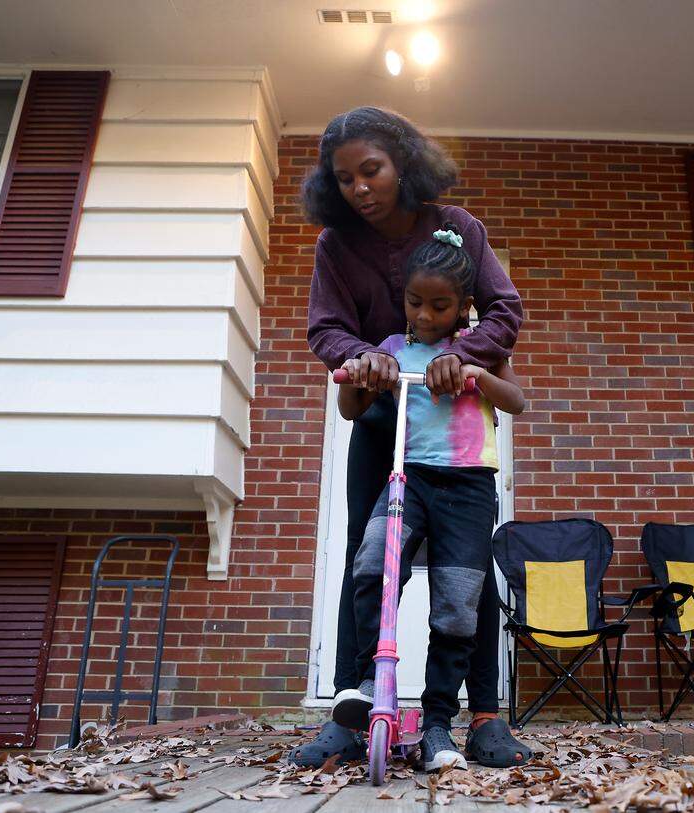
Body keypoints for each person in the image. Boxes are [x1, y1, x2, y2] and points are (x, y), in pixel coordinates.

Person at [290, 107, 530, 769]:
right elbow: (325, 330)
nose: (360, 188)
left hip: (453, 434)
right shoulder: (336, 248)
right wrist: (366, 357)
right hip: (382, 425)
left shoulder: (459, 229)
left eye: (372, 170)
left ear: (402, 162)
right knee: (368, 563)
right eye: (345, 179)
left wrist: (463, 358)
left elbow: (505, 308)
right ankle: (354, 705)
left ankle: (480, 718)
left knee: (467, 572)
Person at [337, 224, 526, 770]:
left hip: (468, 487)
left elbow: (516, 401)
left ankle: (440, 724)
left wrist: (473, 374)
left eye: (439, 306)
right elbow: (351, 408)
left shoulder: (480, 348)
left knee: (457, 606)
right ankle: (372, 681)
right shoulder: (395, 350)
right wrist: (361, 372)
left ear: (464, 306)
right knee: (373, 564)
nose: (424, 315)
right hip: (409, 477)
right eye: (414, 302)